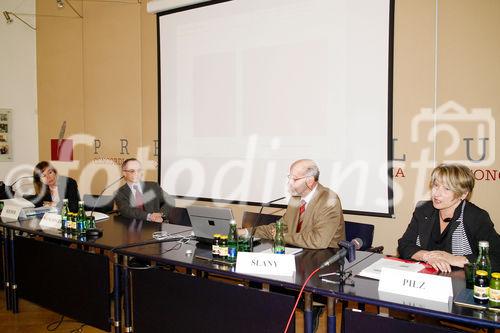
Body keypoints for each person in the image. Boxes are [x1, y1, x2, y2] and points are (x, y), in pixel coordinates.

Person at [398, 163, 500, 273]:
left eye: (446, 189)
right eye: (436, 185)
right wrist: (427, 256)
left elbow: (496, 258)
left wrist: (457, 259)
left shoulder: (475, 217)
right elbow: (404, 245)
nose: (436, 193)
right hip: (426, 278)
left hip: (462, 282)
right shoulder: (423, 210)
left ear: (463, 194)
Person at [242, 159, 345, 249]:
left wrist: (282, 236)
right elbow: (279, 228)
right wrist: (246, 232)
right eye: (289, 178)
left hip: (326, 258)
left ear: (310, 181)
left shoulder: (329, 200)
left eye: (294, 179)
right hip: (299, 252)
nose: (289, 183)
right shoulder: (295, 199)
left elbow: (318, 240)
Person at [114, 158, 175, 222]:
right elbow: (126, 211)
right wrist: (150, 216)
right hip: (133, 227)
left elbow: (170, 199)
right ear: (124, 173)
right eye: (132, 171)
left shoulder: (153, 186)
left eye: (139, 170)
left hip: (155, 225)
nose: (136, 173)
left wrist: (160, 214)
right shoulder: (119, 193)